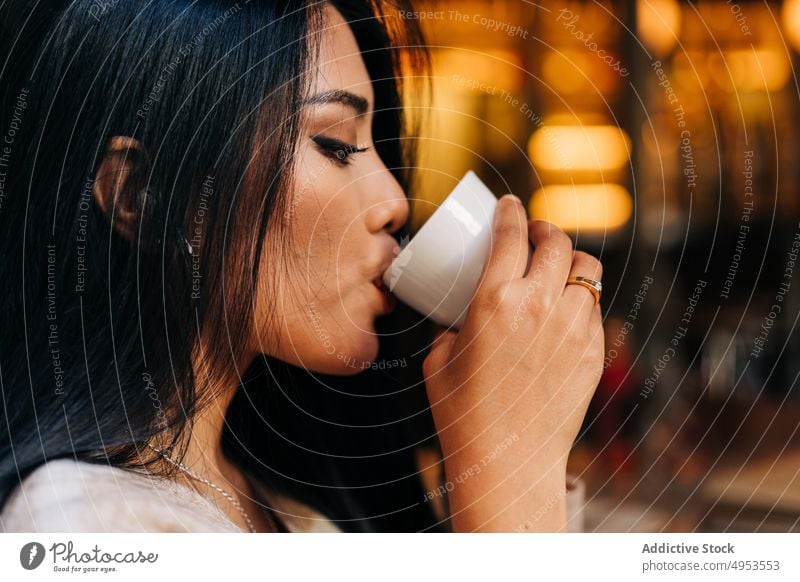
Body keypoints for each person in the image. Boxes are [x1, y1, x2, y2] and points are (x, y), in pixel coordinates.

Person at [0, 0, 603, 533]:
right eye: (336, 145)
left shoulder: (280, 502)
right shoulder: (89, 523)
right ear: (144, 197)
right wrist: (511, 472)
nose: (395, 200)